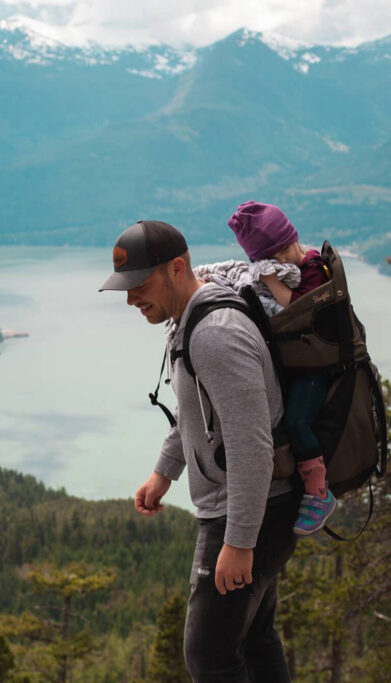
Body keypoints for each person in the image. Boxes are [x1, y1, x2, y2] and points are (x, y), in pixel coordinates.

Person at [98, 219, 299, 682]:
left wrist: (240, 541)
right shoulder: (190, 318)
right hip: (254, 506)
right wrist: (165, 470)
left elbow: (252, 446)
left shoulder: (214, 333)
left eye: (139, 285)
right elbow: (200, 414)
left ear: (176, 268)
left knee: (209, 656)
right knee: (254, 639)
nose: (131, 299)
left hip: (250, 511)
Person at [228, 201, 337, 535]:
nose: (272, 266)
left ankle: (319, 493)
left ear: (287, 243)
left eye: (273, 260)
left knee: (297, 422)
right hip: (304, 361)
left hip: (317, 366)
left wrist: (271, 281)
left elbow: (297, 307)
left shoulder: (314, 267)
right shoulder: (300, 263)